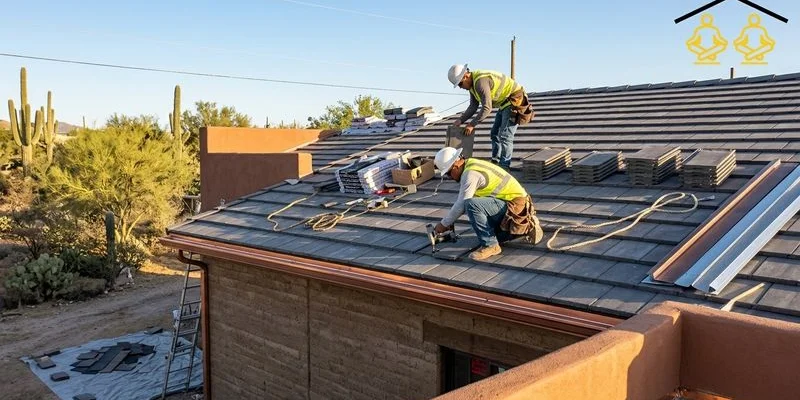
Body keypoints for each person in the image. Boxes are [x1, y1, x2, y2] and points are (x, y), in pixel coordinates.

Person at [432, 147, 543, 261]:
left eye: (449, 174)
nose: (450, 177)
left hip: (515, 205)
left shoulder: (470, 174)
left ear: (455, 165)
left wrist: (444, 224)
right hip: (514, 206)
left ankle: (491, 245)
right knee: (491, 232)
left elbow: (462, 204)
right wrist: (451, 220)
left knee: (471, 205)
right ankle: (526, 227)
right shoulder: (471, 163)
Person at [448, 64, 534, 170]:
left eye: (460, 84)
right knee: (494, 133)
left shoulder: (480, 82)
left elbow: (487, 108)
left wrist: (471, 125)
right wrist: (460, 120)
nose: (461, 87)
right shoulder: (472, 86)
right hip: (504, 104)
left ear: (465, 76)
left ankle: (504, 167)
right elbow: (473, 107)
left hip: (514, 101)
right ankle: (496, 161)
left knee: (505, 136)